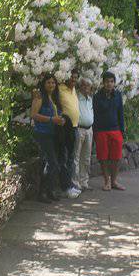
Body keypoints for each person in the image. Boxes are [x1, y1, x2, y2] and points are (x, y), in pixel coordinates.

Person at [31, 73, 64, 203]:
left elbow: (57, 115)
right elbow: (33, 115)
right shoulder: (39, 97)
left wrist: (60, 120)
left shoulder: (54, 98)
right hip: (42, 134)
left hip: (53, 134)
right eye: (48, 82)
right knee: (50, 163)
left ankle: (49, 191)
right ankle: (42, 193)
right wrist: (51, 119)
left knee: (52, 163)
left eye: (53, 82)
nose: (51, 85)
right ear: (44, 84)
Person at [93, 71, 126, 191]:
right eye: (107, 81)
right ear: (103, 83)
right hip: (101, 131)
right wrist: (95, 132)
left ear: (114, 83)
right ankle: (106, 181)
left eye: (111, 81)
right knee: (103, 158)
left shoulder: (118, 95)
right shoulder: (97, 96)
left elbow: (120, 113)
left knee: (116, 157)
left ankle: (114, 181)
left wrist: (122, 130)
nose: (109, 84)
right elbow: (95, 114)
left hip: (115, 129)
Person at [57, 69, 81, 198]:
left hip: (75, 128)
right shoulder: (60, 88)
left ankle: (70, 185)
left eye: (76, 77)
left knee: (71, 158)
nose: (73, 80)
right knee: (64, 158)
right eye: (72, 77)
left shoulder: (74, 89)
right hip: (64, 129)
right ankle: (65, 187)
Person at [73, 77, 94, 191]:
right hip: (79, 129)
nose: (86, 87)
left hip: (89, 130)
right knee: (76, 157)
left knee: (86, 157)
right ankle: (76, 183)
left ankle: (84, 182)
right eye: (84, 85)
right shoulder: (75, 97)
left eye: (88, 85)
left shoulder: (90, 99)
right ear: (80, 86)